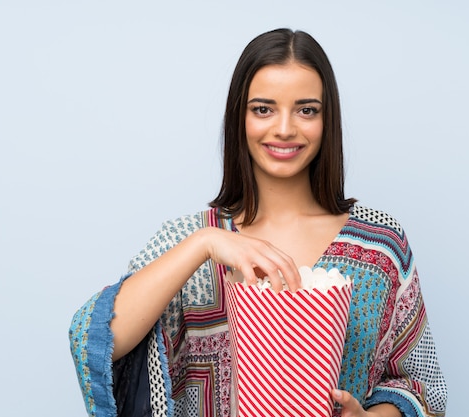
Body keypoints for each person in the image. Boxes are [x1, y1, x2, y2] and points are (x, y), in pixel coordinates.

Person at [69, 28, 447, 417]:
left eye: (306, 109)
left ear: (327, 118)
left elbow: (420, 387)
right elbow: (97, 342)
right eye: (263, 109)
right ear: (239, 117)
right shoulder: (187, 239)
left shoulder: (379, 244)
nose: (284, 128)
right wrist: (204, 244)